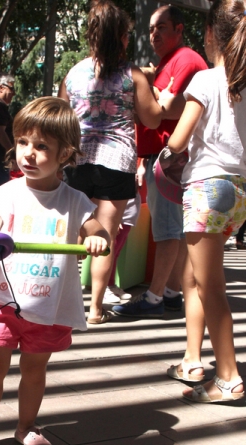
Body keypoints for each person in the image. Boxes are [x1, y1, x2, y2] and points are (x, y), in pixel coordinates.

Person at [0, 97, 110, 445]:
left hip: (47, 306)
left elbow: (99, 233)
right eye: (23, 142)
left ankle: (26, 426)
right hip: (1, 301)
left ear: (65, 154)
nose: (28, 153)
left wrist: (96, 239)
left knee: (34, 370)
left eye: (41, 146)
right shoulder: (6, 194)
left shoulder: (75, 201)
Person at [58, 0, 165, 324]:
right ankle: (94, 309)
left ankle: (60, 300)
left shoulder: (73, 74)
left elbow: (61, 117)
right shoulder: (132, 75)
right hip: (116, 161)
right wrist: (155, 92)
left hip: (77, 159)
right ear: (121, 37)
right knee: (105, 234)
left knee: (72, 233)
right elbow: (153, 119)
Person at [166, 0, 246, 402]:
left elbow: (178, 139)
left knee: (211, 287)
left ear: (211, 34)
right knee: (196, 277)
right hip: (239, 191)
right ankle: (192, 359)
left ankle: (228, 377)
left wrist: (166, 157)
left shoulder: (207, 79)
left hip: (206, 188)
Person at [114, 5, 208, 318]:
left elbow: (165, 109)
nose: (153, 34)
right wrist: (154, 88)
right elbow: (159, 104)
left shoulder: (185, 59)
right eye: (151, 28)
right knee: (175, 231)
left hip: (171, 158)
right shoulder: (170, 61)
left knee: (168, 231)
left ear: (179, 29)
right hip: (162, 157)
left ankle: (154, 298)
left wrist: (149, 90)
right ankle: (170, 293)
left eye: (161, 27)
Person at [103, 194, 141, 304]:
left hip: (128, 213)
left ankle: (111, 284)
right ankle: (105, 288)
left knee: (116, 253)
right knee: (110, 252)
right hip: (119, 211)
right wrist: (116, 217)